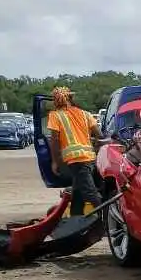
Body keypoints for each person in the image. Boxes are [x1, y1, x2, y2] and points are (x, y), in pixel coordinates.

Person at [45, 86, 101, 216]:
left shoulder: (55, 115)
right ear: (71, 98)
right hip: (91, 159)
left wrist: (55, 162)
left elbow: (54, 141)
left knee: (90, 194)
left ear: (56, 101)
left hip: (77, 162)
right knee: (78, 195)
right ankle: (76, 219)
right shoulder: (85, 113)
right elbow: (99, 135)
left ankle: (105, 221)